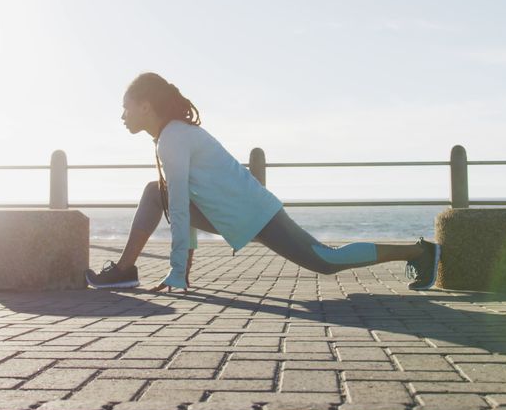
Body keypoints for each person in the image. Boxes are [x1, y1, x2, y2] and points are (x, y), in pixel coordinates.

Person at [85, 72, 441, 293]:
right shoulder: (172, 136)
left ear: (146, 106)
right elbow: (177, 205)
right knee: (154, 192)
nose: (122, 115)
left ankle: (420, 251)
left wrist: (178, 272)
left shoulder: (173, 138)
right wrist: (184, 270)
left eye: (126, 107)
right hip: (234, 214)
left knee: (327, 262)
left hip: (258, 215)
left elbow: (179, 207)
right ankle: (124, 270)